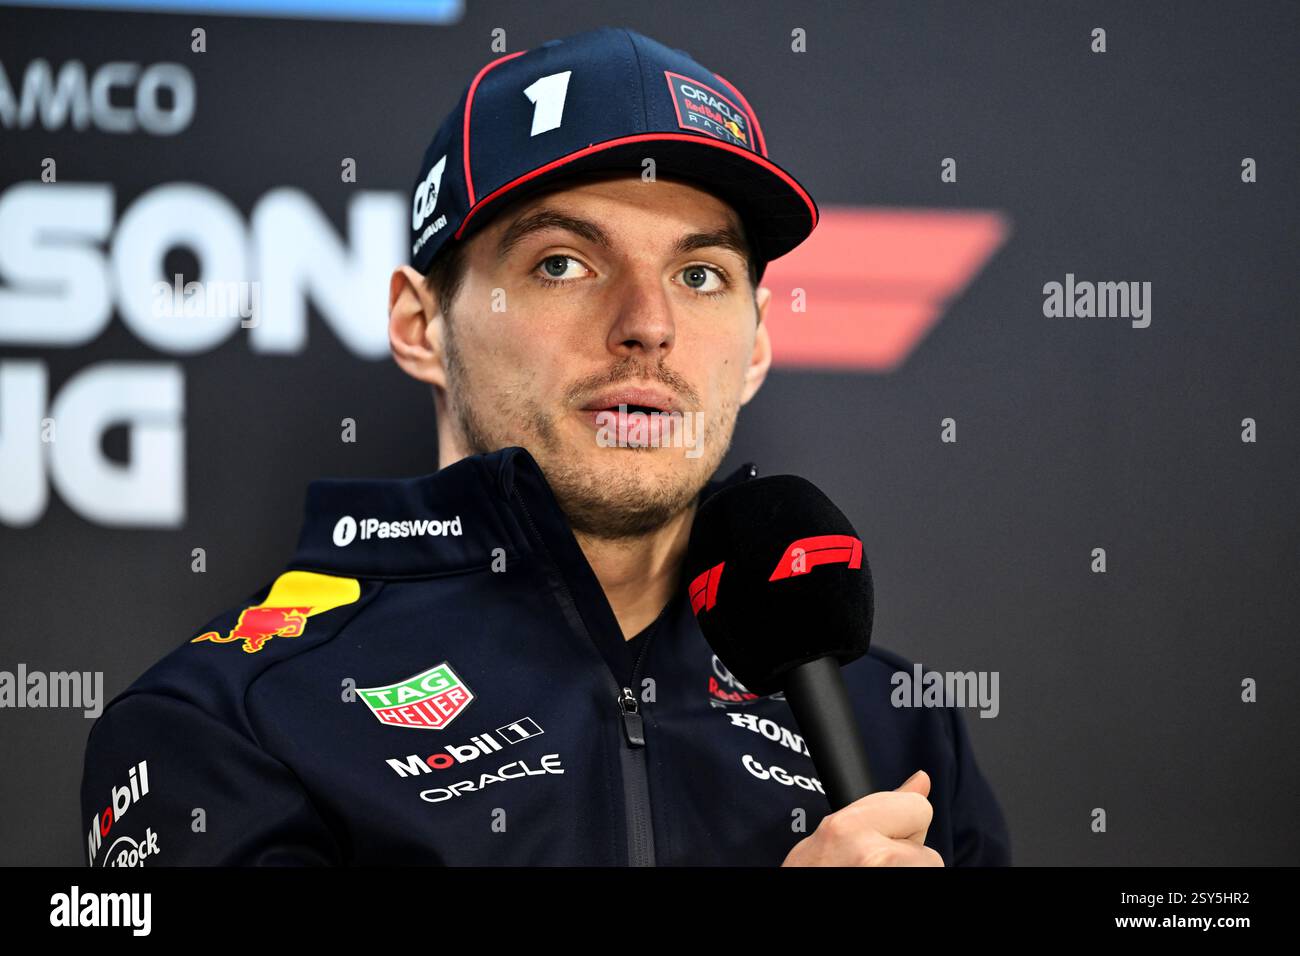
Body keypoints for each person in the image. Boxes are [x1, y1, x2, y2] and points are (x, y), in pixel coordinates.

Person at [80, 26, 1010, 867]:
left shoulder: (894, 728)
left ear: (757, 342)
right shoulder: (232, 719)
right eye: (563, 263)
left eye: (699, 273)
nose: (648, 326)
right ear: (420, 323)